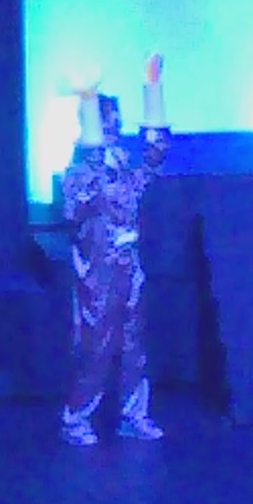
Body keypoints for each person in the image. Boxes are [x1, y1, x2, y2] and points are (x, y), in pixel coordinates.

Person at [58, 60, 170, 446]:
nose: (115, 127)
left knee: (134, 342)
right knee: (96, 345)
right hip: (97, 273)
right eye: (108, 120)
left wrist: (152, 89)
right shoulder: (79, 171)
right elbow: (74, 209)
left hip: (129, 266)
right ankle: (76, 416)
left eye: (117, 120)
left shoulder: (124, 166)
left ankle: (133, 414)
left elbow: (153, 158)